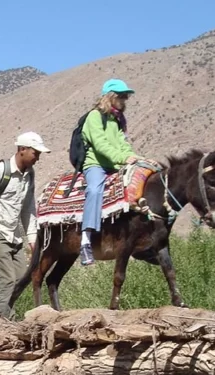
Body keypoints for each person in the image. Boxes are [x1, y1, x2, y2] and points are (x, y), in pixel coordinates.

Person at [0, 131, 48, 319]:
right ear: (22, 149)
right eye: (36, 153)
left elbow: (28, 208)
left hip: (14, 235)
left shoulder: (29, 175)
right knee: (6, 280)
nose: (38, 158)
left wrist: (32, 238)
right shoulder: (0, 171)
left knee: (18, 279)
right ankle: (2, 324)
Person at [79, 78, 149, 266]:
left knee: (139, 185)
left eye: (126, 96)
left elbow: (123, 145)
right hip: (96, 164)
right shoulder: (94, 116)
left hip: (115, 164)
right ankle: (85, 241)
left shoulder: (117, 120)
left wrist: (136, 158)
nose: (125, 99)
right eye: (122, 96)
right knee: (94, 189)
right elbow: (100, 145)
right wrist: (123, 158)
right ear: (111, 96)